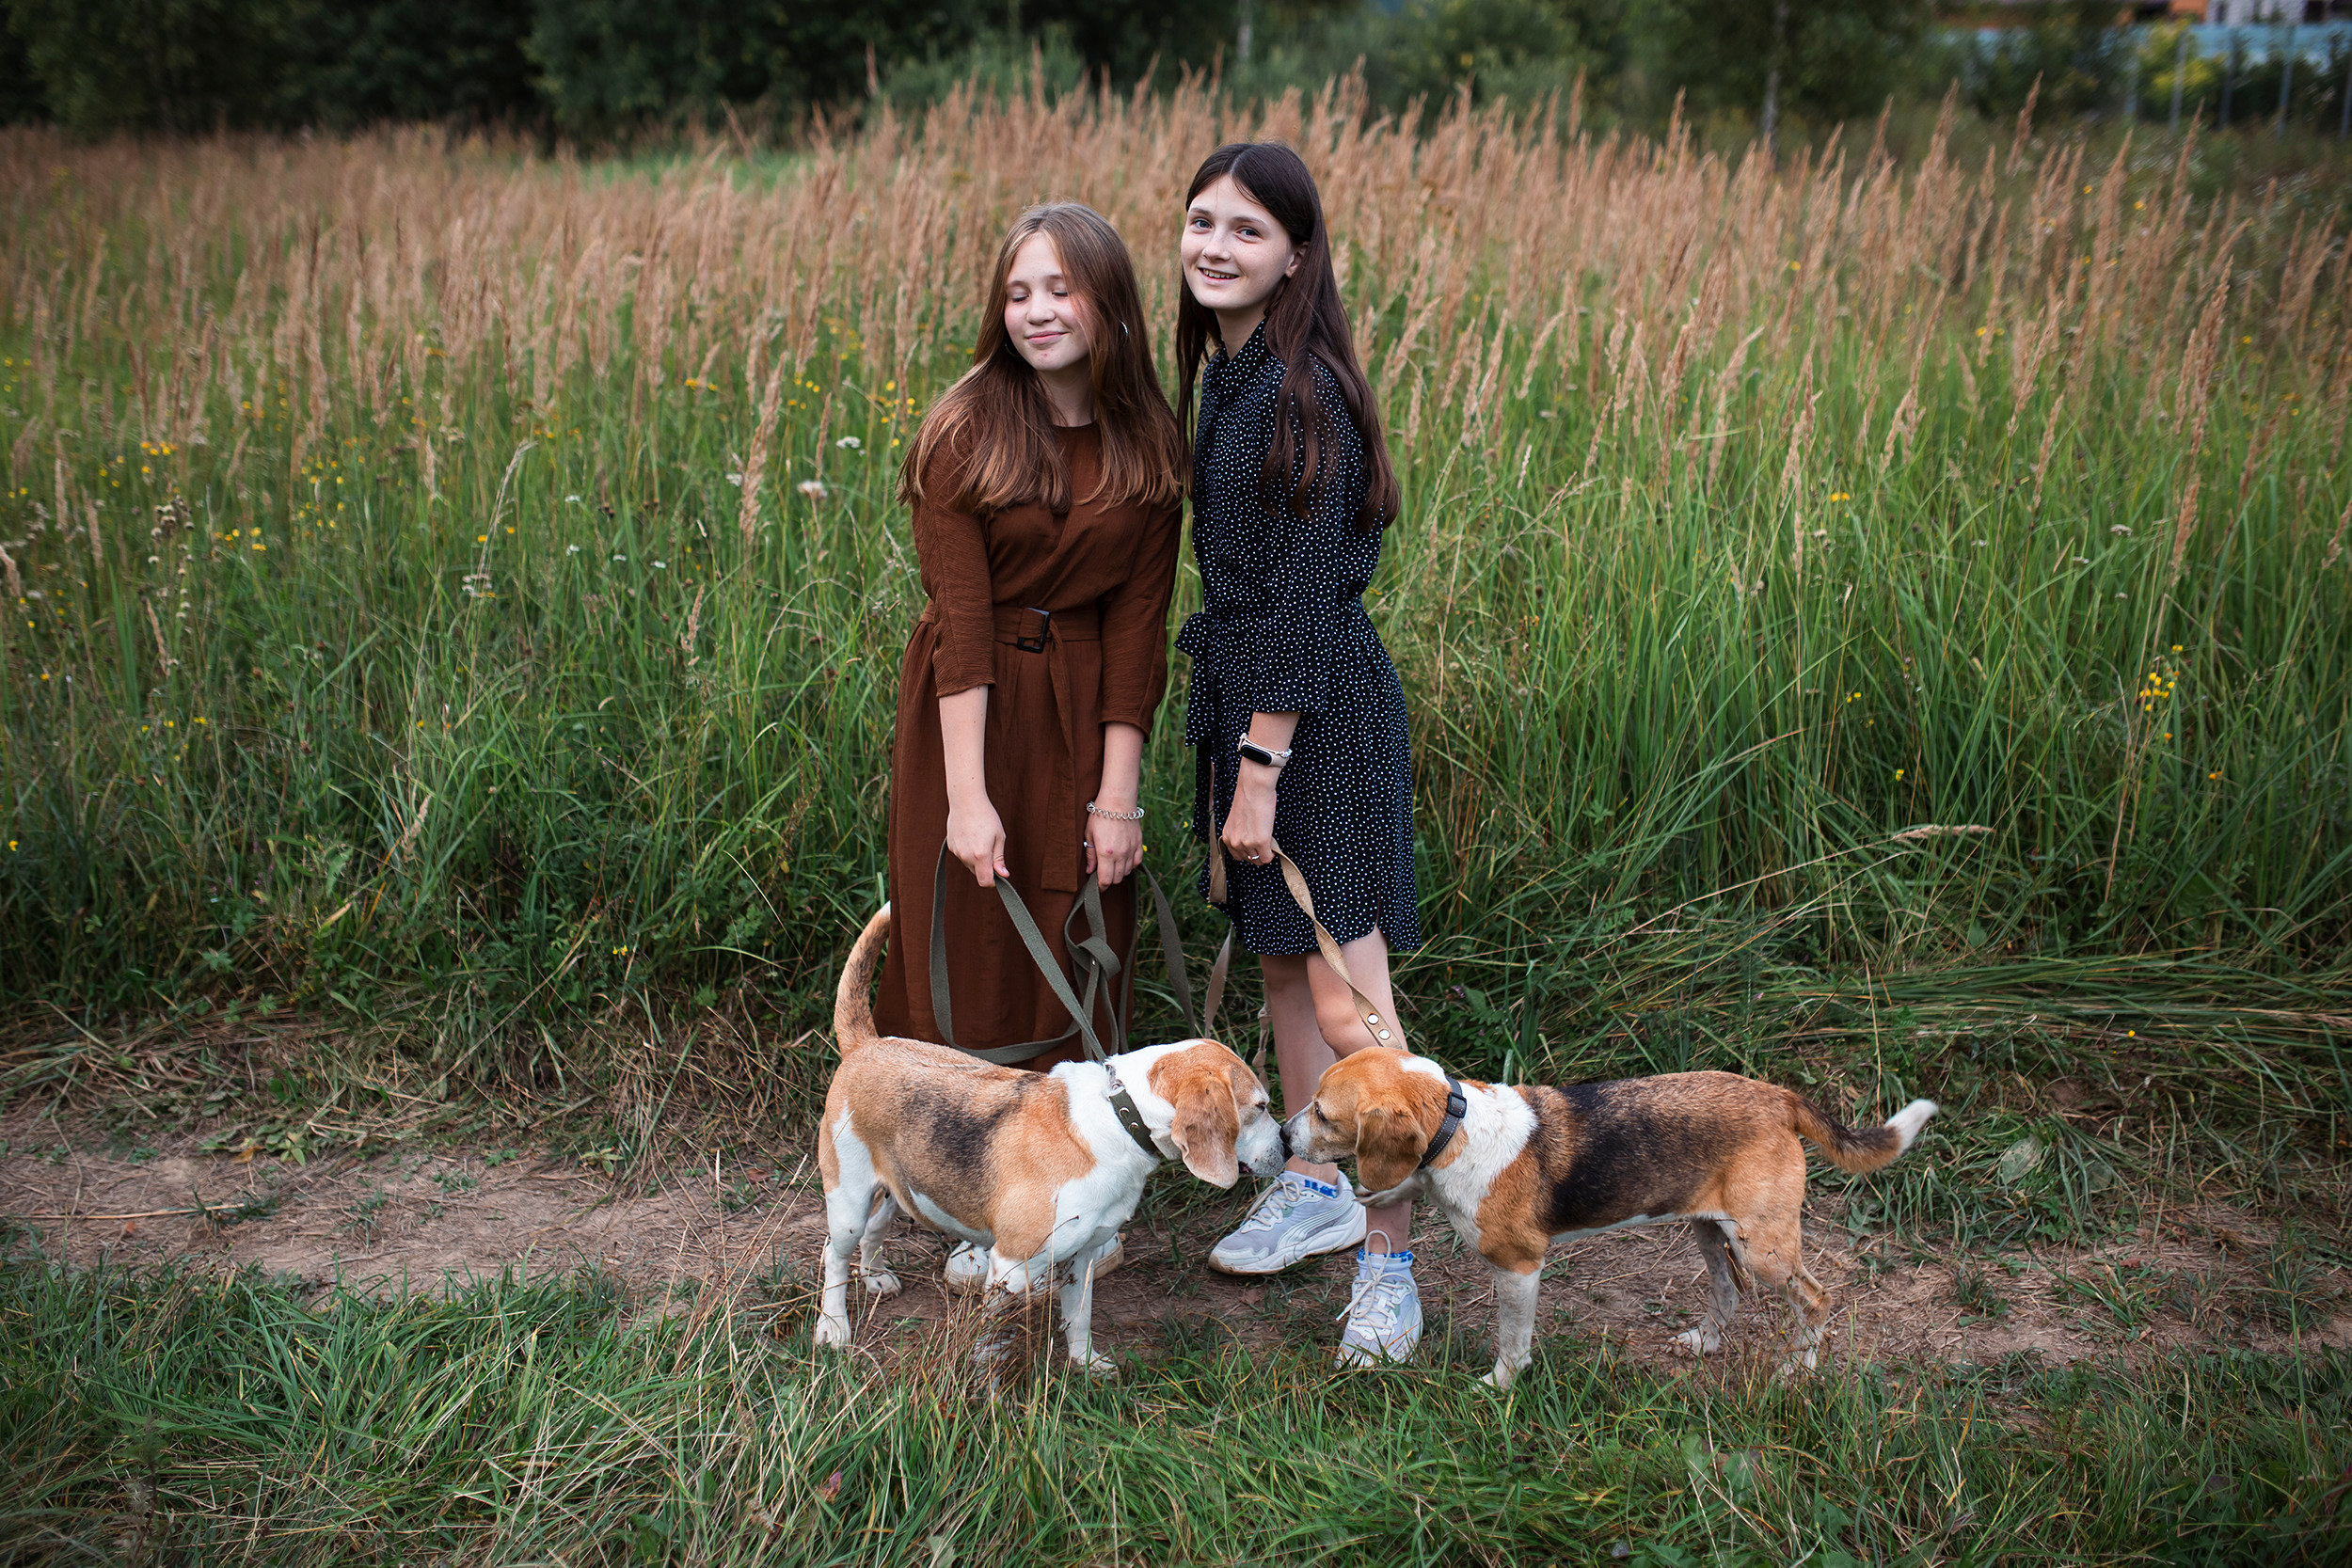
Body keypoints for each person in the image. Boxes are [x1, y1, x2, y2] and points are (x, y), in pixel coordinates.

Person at [873, 202, 1187, 1289]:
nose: (1038, 311)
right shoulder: (965, 428)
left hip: (1087, 699)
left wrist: (1119, 796)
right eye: (1018, 292)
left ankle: (1076, 1177)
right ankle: (963, 1186)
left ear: (1107, 300)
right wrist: (967, 795)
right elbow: (961, 629)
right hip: (974, 707)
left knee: (1083, 905)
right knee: (973, 918)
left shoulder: (1149, 439)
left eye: (1060, 289)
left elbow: (1140, 626)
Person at [1173, 142, 1424, 1366]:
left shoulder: (1298, 389)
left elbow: (1310, 588)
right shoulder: (1227, 373)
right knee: (1280, 956)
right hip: (1249, 701)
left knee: (1347, 987)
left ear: (1295, 255)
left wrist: (1261, 764)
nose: (1215, 245)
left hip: (1307, 712)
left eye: (1247, 230)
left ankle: (1393, 1260)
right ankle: (1321, 1191)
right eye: (1201, 221)